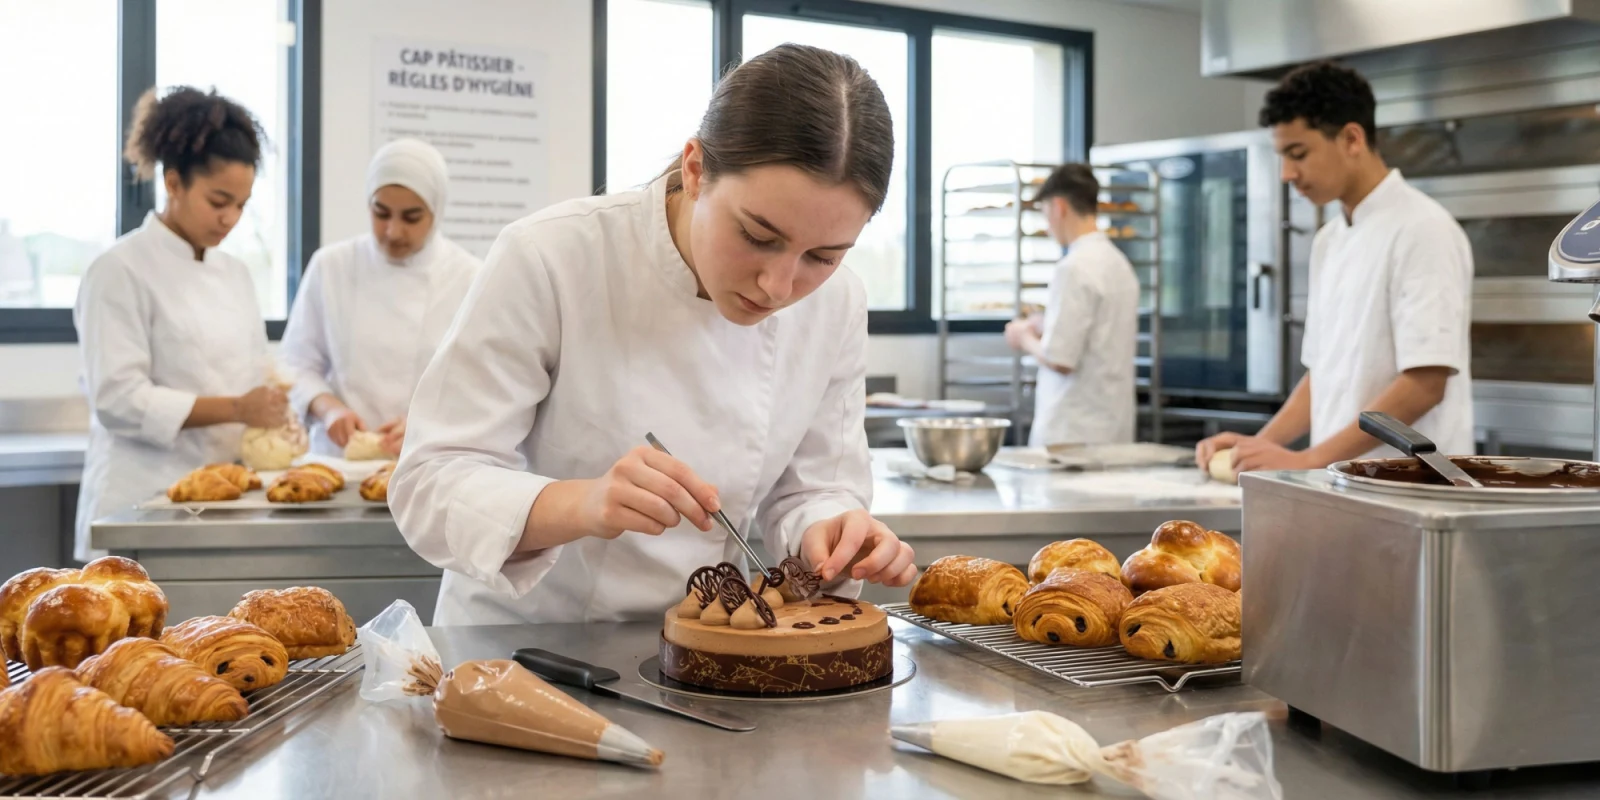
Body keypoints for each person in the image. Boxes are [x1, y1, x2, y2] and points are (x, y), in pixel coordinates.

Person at [390, 44, 918, 625]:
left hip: (712, 642)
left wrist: (833, 531)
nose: (778, 286)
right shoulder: (553, 256)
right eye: (757, 236)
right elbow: (430, 482)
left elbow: (815, 488)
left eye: (822, 256)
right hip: (528, 645)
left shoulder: (838, 303)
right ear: (695, 170)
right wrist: (582, 502)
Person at [1196, 61, 1473, 474]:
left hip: (1411, 489)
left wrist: (1310, 459)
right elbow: (1322, 375)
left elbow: (1424, 383)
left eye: (1298, 154)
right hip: (1344, 484)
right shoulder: (1329, 240)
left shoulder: (1423, 228)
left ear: (1351, 139)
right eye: (1282, 157)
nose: (1287, 174)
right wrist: (1258, 446)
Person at [73, 87, 287, 561]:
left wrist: (274, 408)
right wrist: (239, 407)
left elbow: (257, 370)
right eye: (218, 201)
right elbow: (118, 399)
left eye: (242, 205)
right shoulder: (119, 269)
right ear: (173, 183)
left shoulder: (235, 274)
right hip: (142, 499)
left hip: (226, 498)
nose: (230, 218)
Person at [278, 139, 480, 457]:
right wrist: (329, 409)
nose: (393, 231)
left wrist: (426, 425)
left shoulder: (469, 277)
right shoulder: (332, 266)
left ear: (437, 211)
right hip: (339, 461)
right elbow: (296, 365)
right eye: (381, 213)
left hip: (429, 458)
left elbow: (480, 385)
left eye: (411, 217)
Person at [1004, 164, 1140, 446]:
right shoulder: (1119, 264)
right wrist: (1046, 324)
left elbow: (1060, 360)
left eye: (1045, 213)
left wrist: (1023, 337)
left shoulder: (1073, 268)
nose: (1047, 226)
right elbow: (1098, 336)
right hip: (1113, 427)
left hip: (1072, 435)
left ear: (1059, 207)